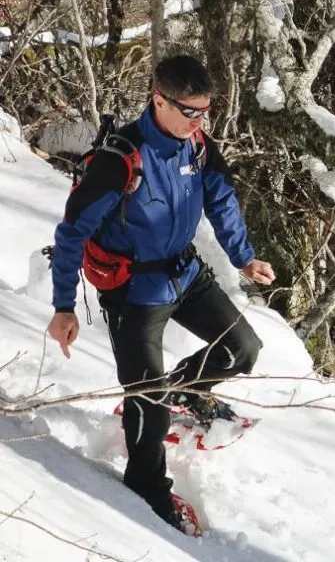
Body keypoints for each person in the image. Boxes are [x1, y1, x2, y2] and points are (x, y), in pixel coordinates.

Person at [46, 54, 275, 532]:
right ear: (158, 100)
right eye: (190, 112)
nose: (198, 122)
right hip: (133, 291)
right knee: (146, 403)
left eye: (205, 113)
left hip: (185, 274)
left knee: (241, 350)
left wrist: (243, 257)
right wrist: (63, 306)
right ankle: (148, 492)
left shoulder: (197, 146)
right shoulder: (118, 159)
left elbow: (221, 198)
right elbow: (71, 234)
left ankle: (183, 393)